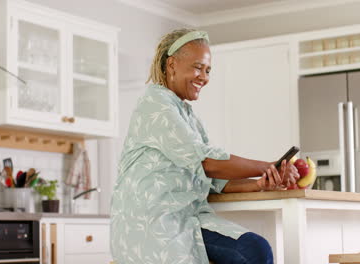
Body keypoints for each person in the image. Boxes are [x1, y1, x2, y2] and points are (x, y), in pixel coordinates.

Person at [110, 29, 300, 264]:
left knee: (253, 249)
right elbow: (207, 162)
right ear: (172, 65)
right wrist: (268, 165)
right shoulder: (155, 104)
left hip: (186, 219)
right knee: (252, 252)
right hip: (152, 223)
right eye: (198, 67)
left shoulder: (187, 115)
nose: (204, 77)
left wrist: (259, 184)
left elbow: (213, 181)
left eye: (208, 70)